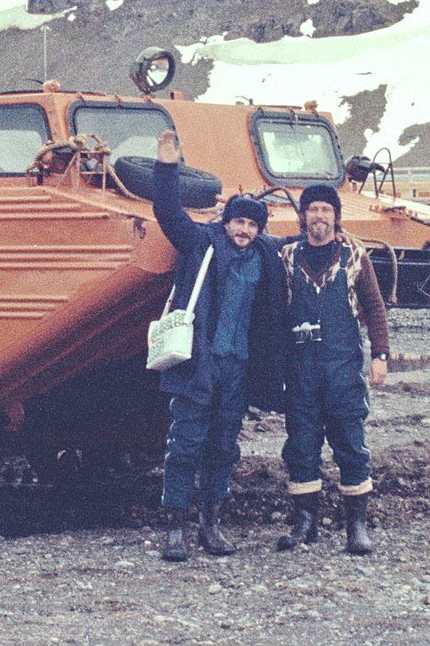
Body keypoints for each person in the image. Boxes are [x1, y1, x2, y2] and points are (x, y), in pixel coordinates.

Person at [150, 129, 286, 562]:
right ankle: (175, 528)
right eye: (238, 222)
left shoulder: (266, 254)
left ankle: (211, 524)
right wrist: (167, 166)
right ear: (226, 221)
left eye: (251, 224)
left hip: (238, 369)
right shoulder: (201, 245)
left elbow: (300, 246)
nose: (244, 230)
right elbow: (169, 214)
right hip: (199, 365)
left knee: (224, 448)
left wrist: (334, 236)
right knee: (185, 444)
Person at [276, 182, 390, 556]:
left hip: (343, 370)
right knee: (301, 447)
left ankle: (356, 527)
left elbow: (374, 308)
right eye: (313, 210)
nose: (319, 216)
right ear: (303, 216)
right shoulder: (288, 256)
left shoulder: (355, 255)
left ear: (335, 217)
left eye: (326, 210)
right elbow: (273, 310)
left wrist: (380, 355)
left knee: (351, 447)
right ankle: (305, 524)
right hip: (301, 371)